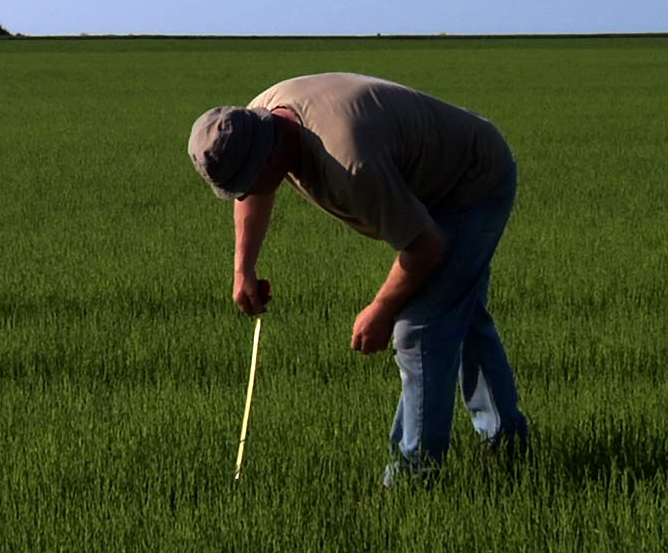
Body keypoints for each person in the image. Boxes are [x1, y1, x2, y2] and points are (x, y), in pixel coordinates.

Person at [187, 72, 529, 486]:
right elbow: (254, 193)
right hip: (426, 181)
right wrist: (244, 268)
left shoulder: (349, 164)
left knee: (417, 332)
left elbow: (425, 246)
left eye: (247, 181)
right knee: (459, 315)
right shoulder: (258, 120)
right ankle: (507, 442)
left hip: (471, 185)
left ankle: (413, 479)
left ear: (269, 156)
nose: (247, 193)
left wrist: (381, 310)